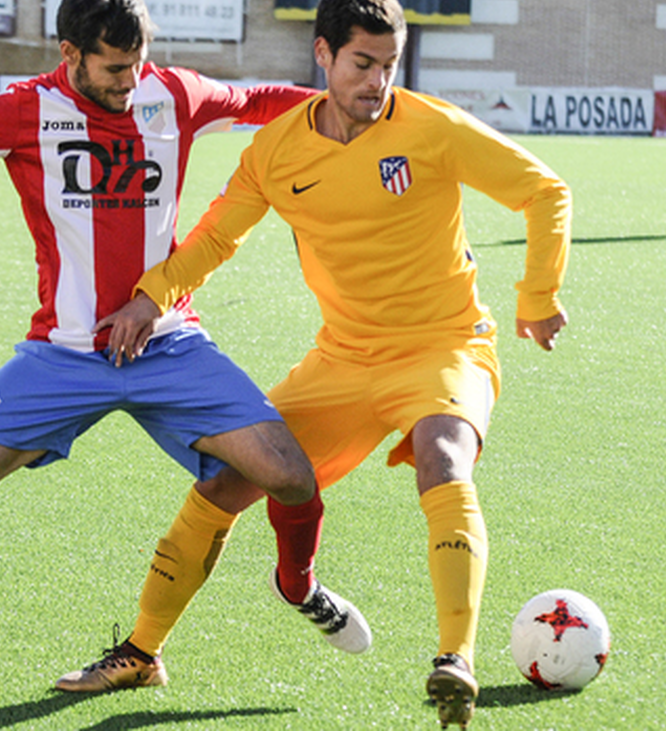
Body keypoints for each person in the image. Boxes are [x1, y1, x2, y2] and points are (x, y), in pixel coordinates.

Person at [0, 0, 370, 700]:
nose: (130, 82)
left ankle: (297, 585)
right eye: (114, 69)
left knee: (292, 477)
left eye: (137, 64)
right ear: (69, 54)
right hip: (62, 354)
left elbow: (260, 101)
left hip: (169, 343)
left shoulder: (171, 94)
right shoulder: (24, 110)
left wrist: (355, 105)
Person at [85, 0, 571, 727]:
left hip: (444, 345)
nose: (378, 81)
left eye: (388, 65)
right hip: (342, 359)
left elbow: (544, 190)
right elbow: (216, 238)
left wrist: (538, 296)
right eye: (362, 63)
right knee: (223, 483)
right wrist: (151, 298)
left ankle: (455, 660)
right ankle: (141, 650)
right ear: (323, 55)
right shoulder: (277, 150)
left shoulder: (431, 127)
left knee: (444, 458)